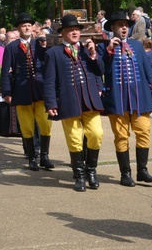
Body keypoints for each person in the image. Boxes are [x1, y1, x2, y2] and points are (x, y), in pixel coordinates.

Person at [99, 10, 152, 187]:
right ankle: (125, 173)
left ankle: (142, 170)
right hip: (117, 98)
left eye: (126, 25)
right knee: (121, 136)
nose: (124, 28)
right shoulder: (104, 48)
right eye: (120, 25)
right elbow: (100, 70)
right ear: (112, 28)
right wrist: (109, 50)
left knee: (143, 131)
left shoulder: (136, 45)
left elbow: (148, 71)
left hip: (140, 97)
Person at [43, 14, 104, 192]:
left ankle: (91, 170)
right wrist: (51, 103)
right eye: (70, 30)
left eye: (77, 29)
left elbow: (100, 71)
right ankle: (79, 176)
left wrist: (93, 55)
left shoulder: (87, 50)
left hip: (90, 100)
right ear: (63, 33)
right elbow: (49, 81)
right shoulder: (53, 53)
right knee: (75, 139)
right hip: (69, 101)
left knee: (96, 134)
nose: (75, 32)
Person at [1, 12, 53, 171]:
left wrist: (45, 47)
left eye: (29, 25)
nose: (27, 27)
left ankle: (44, 156)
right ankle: (32, 157)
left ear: (33, 28)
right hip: (22, 91)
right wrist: (7, 92)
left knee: (45, 124)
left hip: (40, 89)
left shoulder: (40, 44)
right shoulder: (11, 47)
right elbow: (5, 71)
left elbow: (49, 64)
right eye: (24, 25)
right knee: (26, 126)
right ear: (18, 28)